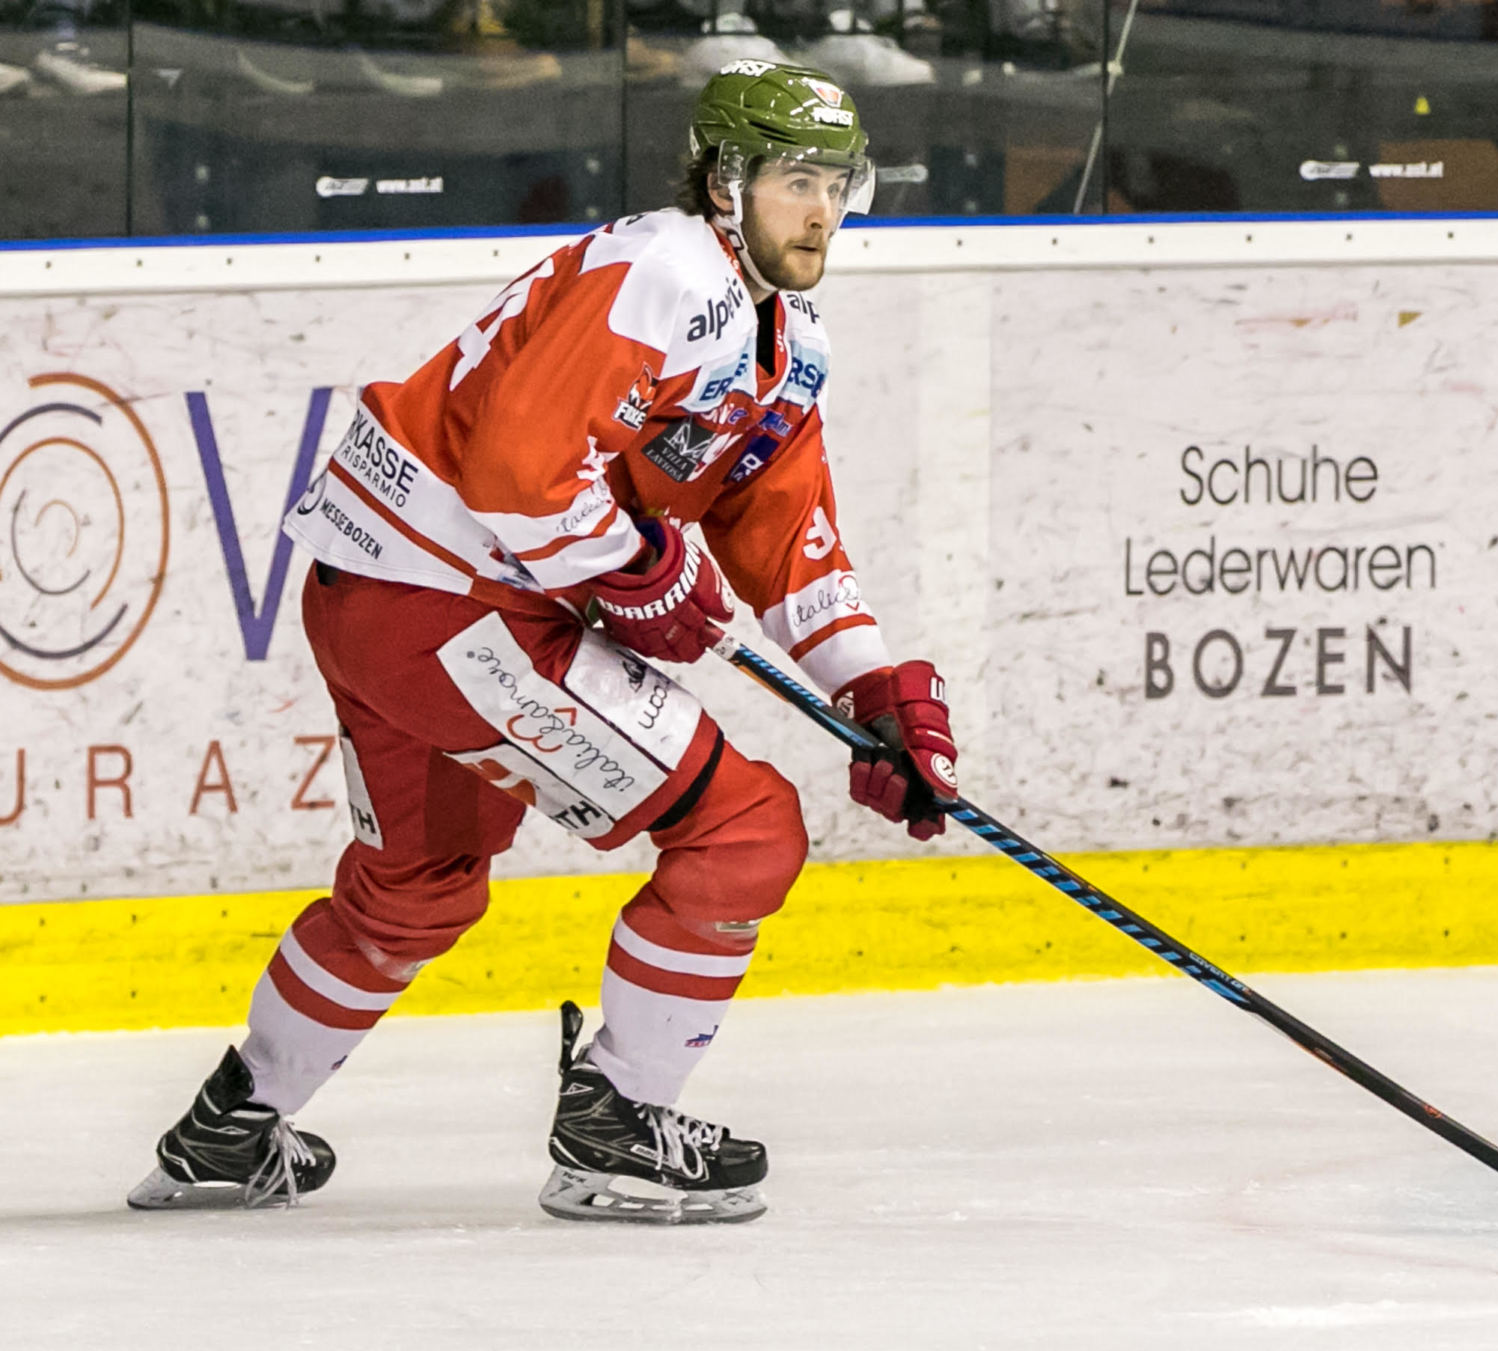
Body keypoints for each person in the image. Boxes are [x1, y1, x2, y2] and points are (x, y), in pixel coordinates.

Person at [126, 60, 959, 1226]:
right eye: (794, 182)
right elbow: (517, 473)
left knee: (416, 889)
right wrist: (634, 570)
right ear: (725, 183)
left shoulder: (783, 338)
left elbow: (785, 542)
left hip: (381, 598)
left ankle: (232, 1127)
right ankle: (616, 1124)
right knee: (743, 827)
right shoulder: (669, 272)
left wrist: (869, 686)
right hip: (450, 608)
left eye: (837, 185)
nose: (820, 212)